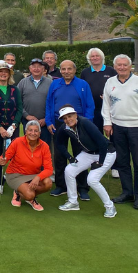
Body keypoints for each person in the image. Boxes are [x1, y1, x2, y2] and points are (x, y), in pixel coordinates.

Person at [103, 54, 138, 210]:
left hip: (137, 127)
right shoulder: (110, 82)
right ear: (114, 67)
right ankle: (127, 193)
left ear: (130, 66)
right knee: (122, 162)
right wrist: (107, 123)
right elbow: (106, 105)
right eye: (119, 65)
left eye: (125, 65)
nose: (122, 67)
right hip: (117, 127)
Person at [45, 60, 95, 199]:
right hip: (58, 123)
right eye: (63, 69)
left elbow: (90, 106)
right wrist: (49, 121)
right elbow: (49, 103)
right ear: (60, 70)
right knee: (59, 155)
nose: (66, 71)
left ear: (74, 70)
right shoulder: (55, 84)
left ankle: (82, 187)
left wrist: (86, 124)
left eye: (69, 69)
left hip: (78, 124)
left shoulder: (82, 84)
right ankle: (61, 186)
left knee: (81, 155)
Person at [56, 106, 117, 218]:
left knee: (92, 180)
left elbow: (102, 143)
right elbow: (59, 143)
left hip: (106, 153)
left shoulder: (85, 123)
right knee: (69, 170)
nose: (68, 119)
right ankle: (73, 202)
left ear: (75, 115)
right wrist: (69, 157)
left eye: (70, 116)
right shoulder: (64, 128)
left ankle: (110, 206)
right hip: (88, 153)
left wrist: (100, 162)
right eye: (64, 118)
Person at [0, 120, 53, 211]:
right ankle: (21, 194)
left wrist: (38, 177)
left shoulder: (44, 146)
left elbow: (49, 169)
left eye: (36, 131)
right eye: (30, 130)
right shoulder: (17, 141)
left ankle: (24, 193)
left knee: (48, 183)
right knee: (29, 195)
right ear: (26, 131)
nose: (33, 133)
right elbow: (6, 156)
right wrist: (2, 160)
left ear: (39, 133)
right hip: (15, 175)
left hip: (33, 175)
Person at [0, 61, 23, 195]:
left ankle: (15, 180)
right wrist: (0, 128)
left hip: (12, 127)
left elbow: (19, 109)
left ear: (9, 74)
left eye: (6, 72)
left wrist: (14, 125)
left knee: (14, 154)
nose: (3, 74)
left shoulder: (15, 89)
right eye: (0, 72)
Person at [17, 58, 53, 147]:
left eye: (39, 67)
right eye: (34, 66)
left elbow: (53, 103)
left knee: (44, 147)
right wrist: (26, 115)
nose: (36, 69)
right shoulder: (23, 82)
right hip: (27, 121)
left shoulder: (50, 83)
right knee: (28, 147)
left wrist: (46, 119)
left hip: (44, 123)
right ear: (30, 68)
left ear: (43, 69)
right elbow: (17, 101)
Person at [80, 48, 116, 133]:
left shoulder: (110, 71)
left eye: (97, 56)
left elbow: (117, 86)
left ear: (102, 57)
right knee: (96, 133)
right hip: (93, 109)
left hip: (109, 108)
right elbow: (82, 89)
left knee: (112, 133)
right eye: (92, 56)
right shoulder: (85, 72)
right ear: (89, 58)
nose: (95, 58)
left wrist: (109, 96)